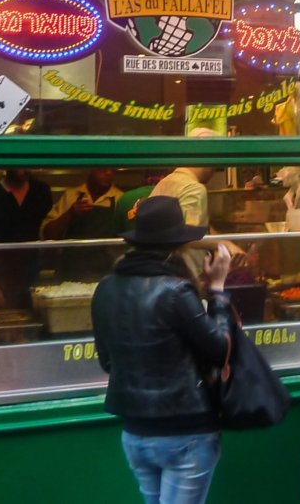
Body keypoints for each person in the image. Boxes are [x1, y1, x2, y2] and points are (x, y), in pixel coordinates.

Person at [91, 196, 235, 504]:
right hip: (186, 432)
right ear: (177, 245)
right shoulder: (176, 290)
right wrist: (219, 290)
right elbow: (221, 349)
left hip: (135, 433)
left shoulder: (105, 288)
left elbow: (107, 362)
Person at [0, 168, 54, 308]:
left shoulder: (41, 192)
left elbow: (48, 231)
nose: (26, 169)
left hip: (34, 274)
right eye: (20, 163)